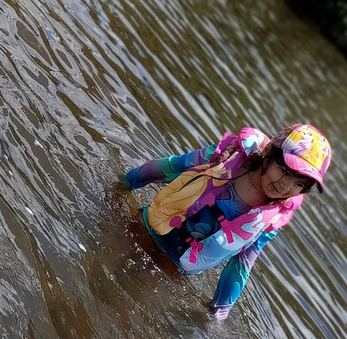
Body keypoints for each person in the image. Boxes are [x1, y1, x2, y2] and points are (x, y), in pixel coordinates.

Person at [122, 124, 332, 321]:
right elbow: (172, 167)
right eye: (284, 171)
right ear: (269, 156)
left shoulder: (273, 217)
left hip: (172, 265)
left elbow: (242, 264)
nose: (285, 186)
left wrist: (219, 311)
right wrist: (125, 184)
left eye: (298, 183)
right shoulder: (226, 157)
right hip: (144, 228)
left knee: (127, 313)